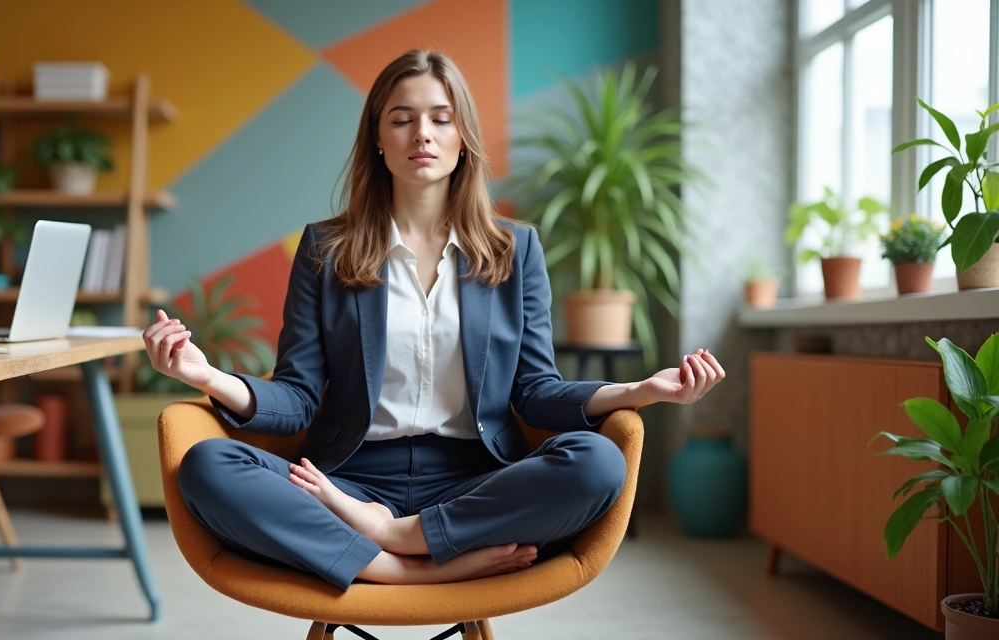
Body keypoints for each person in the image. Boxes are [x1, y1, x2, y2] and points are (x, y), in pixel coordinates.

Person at [143, 49, 724, 592]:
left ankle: (404, 537)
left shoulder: (514, 250)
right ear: (377, 136)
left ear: (463, 137)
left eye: (441, 119)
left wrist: (639, 390)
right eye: (402, 118)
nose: (422, 133)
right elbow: (296, 395)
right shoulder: (326, 249)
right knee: (206, 464)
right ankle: (402, 571)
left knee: (598, 462)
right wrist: (208, 378)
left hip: (475, 482)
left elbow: (535, 391)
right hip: (348, 481)